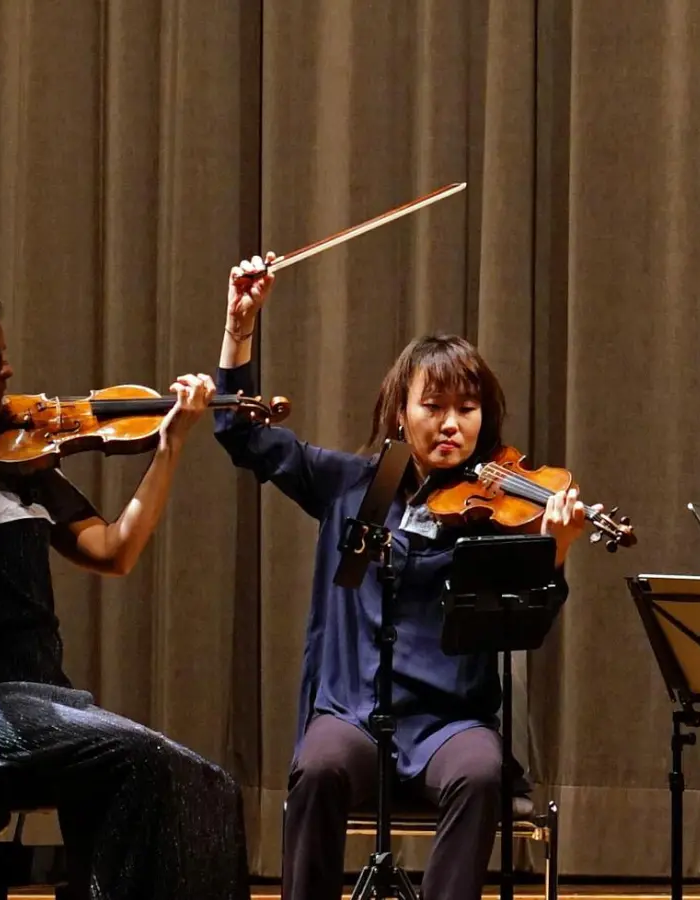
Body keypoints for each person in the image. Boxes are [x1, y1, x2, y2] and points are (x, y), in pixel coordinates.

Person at [0, 187, 248, 899]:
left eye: (4, 356)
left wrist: (170, 445)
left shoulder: (27, 462)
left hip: (43, 695)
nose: (8, 372)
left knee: (207, 781)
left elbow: (115, 551)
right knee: (137, 760)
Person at [212, 254, 594, 900]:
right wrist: (239, 329)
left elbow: (523, 627)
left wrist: (550, 552)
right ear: (399, 413)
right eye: (434, 406)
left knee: (481, 773)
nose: (451, 423)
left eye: (467, 409)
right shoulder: (348, 485)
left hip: (448, 722)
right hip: (353, 714)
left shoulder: (499, 514)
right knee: (318, 766)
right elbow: (239, 433)